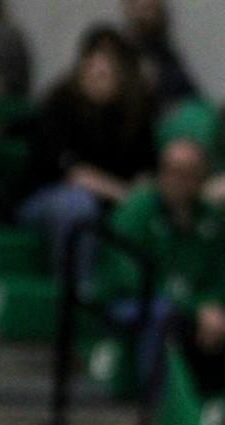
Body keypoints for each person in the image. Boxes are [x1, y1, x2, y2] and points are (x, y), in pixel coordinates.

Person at [20, 27, 156, 284]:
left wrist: (139, 193)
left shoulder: (134, 117)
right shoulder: (60, 106)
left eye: (107, 74)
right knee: (76, 204)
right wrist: (125, 194)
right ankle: (74, 293)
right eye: (93, 72)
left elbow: (147, 171)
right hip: (47, 198)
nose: (99, 79)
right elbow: (74, 174)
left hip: (109, 203)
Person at [100, 136, 225, 396]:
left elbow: (219, 276)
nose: (177, 180)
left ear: (202, 179)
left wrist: (214, 307)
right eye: (171, 171)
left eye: (187, 173)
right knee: (162, 313)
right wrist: (196, 308)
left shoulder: (212, 219)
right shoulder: (137, 209)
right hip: (126, 303)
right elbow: (131, 278)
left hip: (190, 310)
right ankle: (157, 409)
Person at [121, 0, 198, 111]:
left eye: (152, 8)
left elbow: (188, 93)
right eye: (144, 8)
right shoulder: (125, 53)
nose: (148, 13)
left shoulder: (165, 51)